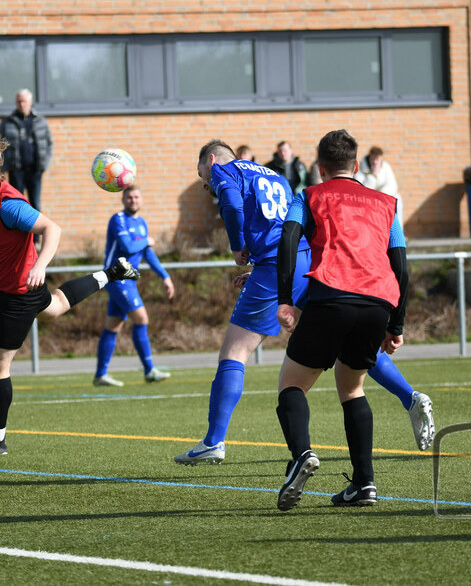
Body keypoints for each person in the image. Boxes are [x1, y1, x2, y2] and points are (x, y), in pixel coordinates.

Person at [175, 140, 431, 467]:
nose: (205, 183)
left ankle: (213, 441)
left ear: (211, 161)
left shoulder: (224, 170)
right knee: (347, 344)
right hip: (305, 263)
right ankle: (410, 396)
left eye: (202, 176)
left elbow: (234, 206)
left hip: (274, 266)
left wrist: (238, 248)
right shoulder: (274, 175)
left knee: (235, 351)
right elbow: (287, 227)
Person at [0, 134, 139, 456]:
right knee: (54, 307)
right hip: (19, 287)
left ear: (0, 174)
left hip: (18, 292)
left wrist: (41, 264)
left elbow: (52, 229)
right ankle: (113, 272)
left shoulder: (10, 206)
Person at [274, 129, 409, 510]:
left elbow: (288, 240)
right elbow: (400, 264)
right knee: (352, 388)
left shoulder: (309, 196)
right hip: (376, 302)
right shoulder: (386, 202)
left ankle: (302, 454)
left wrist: (285, 300)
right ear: (356, 164)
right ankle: (364, 484)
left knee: (292, 385)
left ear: (319, 167)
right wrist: (396, 324)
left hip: (331, 296)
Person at [94, 186, 174, 386]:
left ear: (141, 199)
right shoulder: (118, 219)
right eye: (129, 197)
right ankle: (149, 370)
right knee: (141, 319)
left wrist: (165, 276)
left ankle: (100, 375)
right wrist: (147, 240)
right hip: (116, 278)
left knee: (113, 326)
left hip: (128, 280)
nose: (133, 200)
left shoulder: (141, 222)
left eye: (136, 197)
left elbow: (147, 253)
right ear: (123, 199)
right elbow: (128, 247)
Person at [0, 88, 53, 212]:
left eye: (24, 101)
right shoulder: (7, 122)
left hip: (35, 170)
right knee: (17, 204)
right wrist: (3, 167)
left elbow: (49, 143)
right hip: (16, 171)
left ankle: (36, 232)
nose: (21, 104)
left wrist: (44, 164)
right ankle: (19, 231)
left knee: (35, 204)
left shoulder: (40, 121)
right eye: (19, 102)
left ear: (30, 102)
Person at [357, 146, 403, 223]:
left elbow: (393, 186)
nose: (374, 162)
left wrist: (381, 194)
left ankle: (399, 231)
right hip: (367, 199)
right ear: (369, 157)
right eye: (372, 159)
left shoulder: (386, 167)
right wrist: (372, 177)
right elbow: (360, 189)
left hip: (382, 197)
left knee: (397, 199)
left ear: (381, 159)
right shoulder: (361, 167)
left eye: (377, 159)